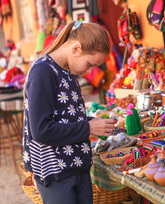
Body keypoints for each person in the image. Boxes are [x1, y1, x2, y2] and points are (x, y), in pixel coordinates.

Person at [23, 21, 116, 204]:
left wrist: (93, 124)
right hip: (56, 173)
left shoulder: (67, 71)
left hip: (77, 166)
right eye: (89, 64)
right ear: (76, 49)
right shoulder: (43, 71)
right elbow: (42, 130)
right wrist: (88, 127)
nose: (88, 71)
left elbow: (66, 117)